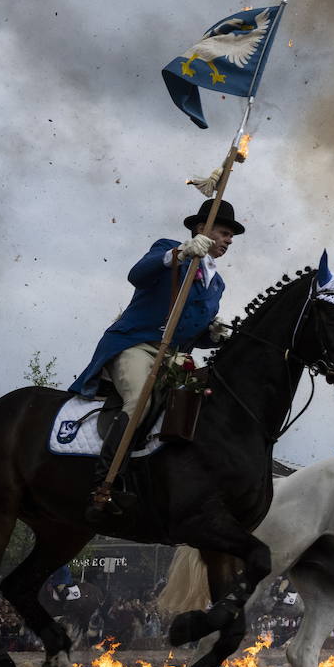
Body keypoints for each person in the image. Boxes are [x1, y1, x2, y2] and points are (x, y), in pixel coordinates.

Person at [70, 197, 242, 521]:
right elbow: (136, 275)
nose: (229, 240)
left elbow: (193, 332)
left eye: (231, 236)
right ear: (202, 229)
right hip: (136, 345)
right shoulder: (168, 248)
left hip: (175, 359)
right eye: (223, 232)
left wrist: (213, 335)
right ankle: (104, 483)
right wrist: (177, 255)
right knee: (140, 402)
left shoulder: (217, 284)